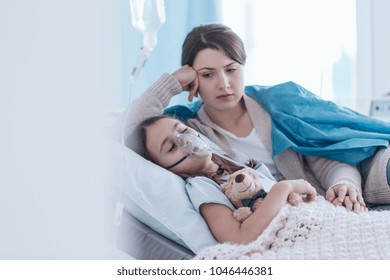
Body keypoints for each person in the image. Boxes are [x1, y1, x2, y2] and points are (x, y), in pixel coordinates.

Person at [119, 23, 390, 214]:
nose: (224, 83)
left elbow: (330, 154)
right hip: (290, 210)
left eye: (231, 69)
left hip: (352, 175)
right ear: (193, 80)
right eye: (208, 74)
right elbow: (129, 131)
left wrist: (344, 184)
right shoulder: (189, 132)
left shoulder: (277, 102)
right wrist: (171, 82)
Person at [138, 115, 317, 244]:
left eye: (183, 130)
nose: (185, 141)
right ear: (165, 168)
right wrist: (283, 188)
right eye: (170, 147)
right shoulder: (201, 186)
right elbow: (239, 238)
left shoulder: (233, 163)